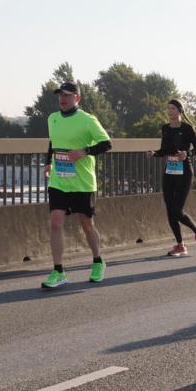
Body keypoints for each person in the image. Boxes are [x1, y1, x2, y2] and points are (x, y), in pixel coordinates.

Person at [41, 82, 113, 288]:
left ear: (77, 98)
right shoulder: (52, 118)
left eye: (67, 95)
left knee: (87, 224)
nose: (62, 99)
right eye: (60, 95)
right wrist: (48, 162)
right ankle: (58, 271)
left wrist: (84, 151)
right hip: (59, 181)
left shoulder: (88, 120)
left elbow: (107, 143)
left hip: (82, 183)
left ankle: (98, 261)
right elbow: (52, 143)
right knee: (55, 223)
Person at [147, 99, 196, 257]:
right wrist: (155, 153)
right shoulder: (165, 128)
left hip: (184, 171)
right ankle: (180, 245)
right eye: (168, 109)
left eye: (172, 108)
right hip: (169, 171)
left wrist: (187, 153)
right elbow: (164, 149)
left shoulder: (188, 128)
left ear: (180, 111)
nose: (169, 111)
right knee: (169, 209)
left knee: (177, 210)